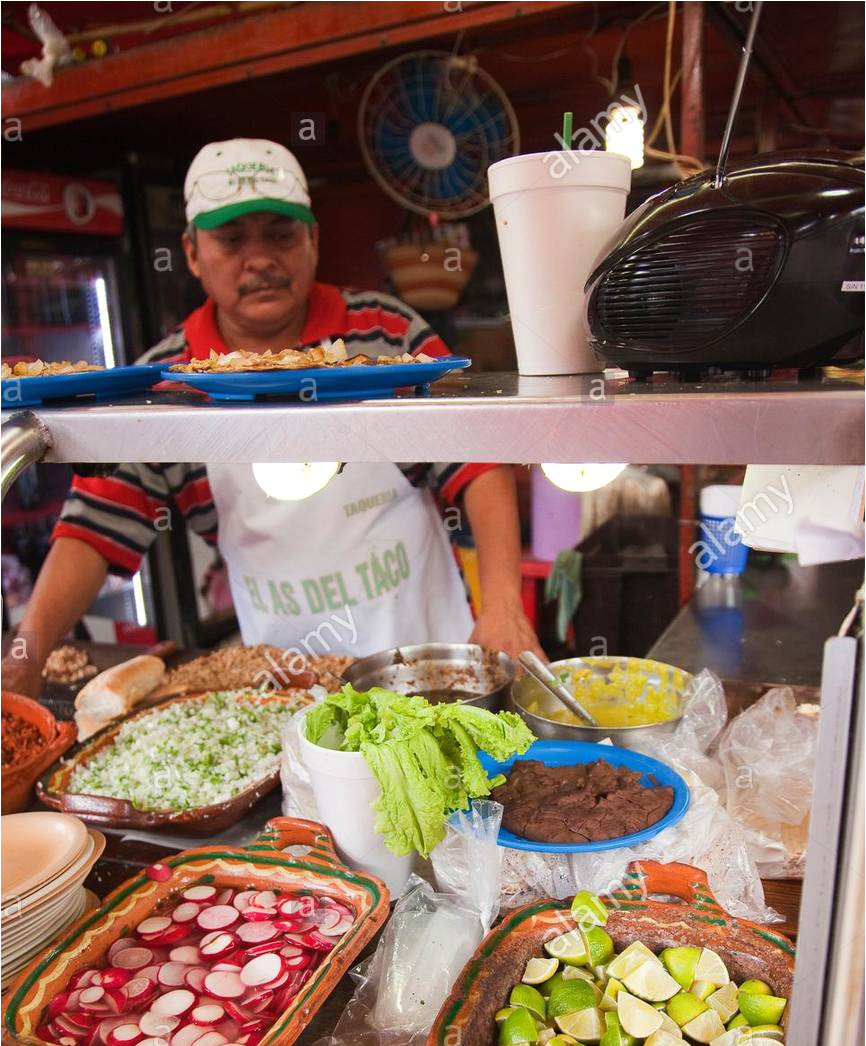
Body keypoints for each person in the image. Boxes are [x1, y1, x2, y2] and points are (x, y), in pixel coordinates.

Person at [3, 139, 542, 696]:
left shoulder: (386, 333)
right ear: (191, 252)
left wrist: (504, 605)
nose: (259, 258)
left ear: (312, 239)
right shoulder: (167, 380)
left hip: (435, 670)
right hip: (290, 690)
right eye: (231, 239)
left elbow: (474, 462)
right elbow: (94, 525)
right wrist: (26, 650)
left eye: (281, 235)